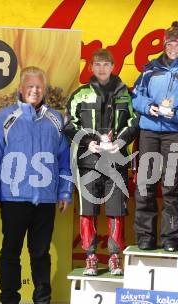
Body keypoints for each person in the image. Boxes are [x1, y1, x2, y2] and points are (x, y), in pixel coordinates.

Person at [0, 66, 72, 304]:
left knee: (40, 252)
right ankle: (9, 302)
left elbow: (65, 160)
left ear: (45, 90)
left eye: (39, 87)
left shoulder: (55, 119)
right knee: (10, 251)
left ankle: (43, 300)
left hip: (44, 199)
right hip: (13, 197)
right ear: (21, 88)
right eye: (30, 86)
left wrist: (65, 190)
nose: (34, 91)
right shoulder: (4, 118)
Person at [131, 21, 178, 252]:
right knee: (145, 184)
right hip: (149, 131)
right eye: (170, 43)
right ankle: (145, 236)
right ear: (164, 45)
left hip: (174, 133)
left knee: (172, 186)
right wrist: (148, 107)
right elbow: (136, 96)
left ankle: (171, 237)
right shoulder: (150, 68)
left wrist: (177, 113)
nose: (173, 47)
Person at [64, 48, 138, 276]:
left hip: (116, 160)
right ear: (90, 67)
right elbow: (69, 125)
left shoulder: (126, 93)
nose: (102, 68)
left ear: (113, 67)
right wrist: (88, 142)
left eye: (106, 64)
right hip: (88, 160)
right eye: (97, 64)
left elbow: (135, 122)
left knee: (117, 210)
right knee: (88, 209)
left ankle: (115, 257)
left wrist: (121, 141)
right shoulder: (79, 94)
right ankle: (91, 257)